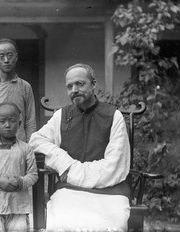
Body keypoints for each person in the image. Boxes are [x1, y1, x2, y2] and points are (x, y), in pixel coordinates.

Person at [29, 63, 131, 232]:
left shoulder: (113, 116)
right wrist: (62, 160)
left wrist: (72, 171)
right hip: (70, 191)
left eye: (80, 84)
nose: (74, 89)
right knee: (61, 222)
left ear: (94, 84)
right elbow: (36, 140)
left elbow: (114, 166)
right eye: (69, 86)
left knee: (112, 225)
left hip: (109, 191)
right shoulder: (61, 115)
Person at [0, 102, 38, 232]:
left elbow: (33, 175)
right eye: (2, 121)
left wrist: (19, 181)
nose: (7, 125)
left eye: (12, 121)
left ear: (19, 124)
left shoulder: (26, 148)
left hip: (18, 206)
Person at [0, 38, 36, 143]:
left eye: (10, 55)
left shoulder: (25, 87)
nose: (6, 60)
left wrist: (29, 147)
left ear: (16, 57)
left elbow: (30, 122)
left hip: (18, 144)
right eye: (1, 56)